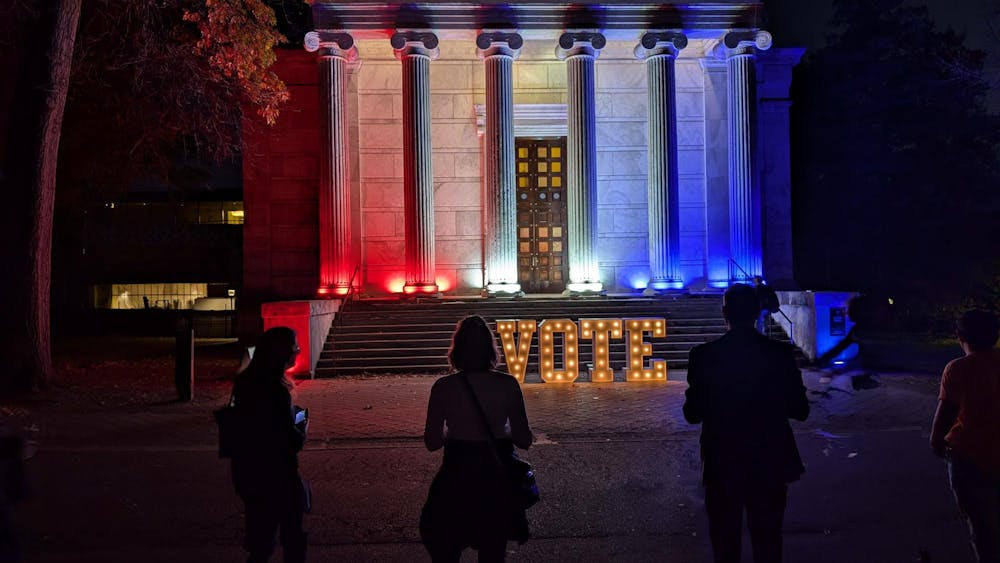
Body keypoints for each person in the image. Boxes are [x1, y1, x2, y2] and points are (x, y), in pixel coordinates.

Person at [683, 283, 810, 563]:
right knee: (768, 544)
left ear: (724, 313)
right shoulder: (779, 354)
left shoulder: (703, 356)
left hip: (723, 463)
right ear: (756, 312)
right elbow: (801, 410)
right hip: (769, 462)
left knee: (725, 546)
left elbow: (692, 414)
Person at [420, 315, 534, 563]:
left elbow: (432, 442)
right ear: (490, 349)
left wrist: (457, 430)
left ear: (457, 349)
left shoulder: (443, 387)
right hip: (495, 482)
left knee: (445, 551)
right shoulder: (507, 385)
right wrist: (500, 431)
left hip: (455, 479)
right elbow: (524, 439)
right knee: (493, 553)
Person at [230, 326, 309, 563]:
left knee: (260, 541)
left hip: (247, 470)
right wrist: (301, 430)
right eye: (295, 347)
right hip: (278, 473)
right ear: (282, 353)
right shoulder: (276, 389)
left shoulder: (244, 382)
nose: (297, 352)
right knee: (292, 538)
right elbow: (288, 439)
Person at [930, 310, 1000, 563]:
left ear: (960, 336)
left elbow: (947, 410)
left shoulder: (957, 368)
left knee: (981, 526)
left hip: (968, 457)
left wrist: (936, 441)